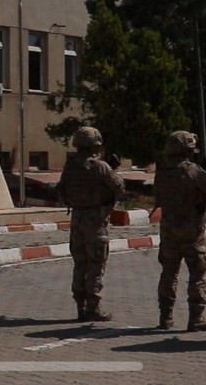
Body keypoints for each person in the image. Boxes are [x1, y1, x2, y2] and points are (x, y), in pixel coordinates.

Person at [54, 126, 125, 322]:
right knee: (96, 264)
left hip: (77, 219)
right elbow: (119, 187)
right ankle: (93, 308)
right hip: (96, 220)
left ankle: (80, 306)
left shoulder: (70, 166)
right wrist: (112, 170)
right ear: (94, 145)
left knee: (80, 263)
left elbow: (61, 191)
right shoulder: (100, 167)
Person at [153, 130, 206, 331]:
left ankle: (166, 317)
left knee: (169, 273)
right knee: (197, 274)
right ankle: (196, 318)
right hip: (191, 231)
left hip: (169, 229)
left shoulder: (162, 171)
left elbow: (158, 196)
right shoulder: (191, 170)